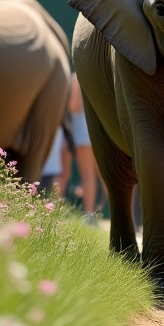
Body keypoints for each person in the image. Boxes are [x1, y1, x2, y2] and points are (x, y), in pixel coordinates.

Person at [69, 73, 105, 219]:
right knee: (105, 176)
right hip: (100, 131)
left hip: (83, 132)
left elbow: (73, 106)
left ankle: (89, 215)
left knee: (87, 175)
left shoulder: (77, 77)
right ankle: (121, 214)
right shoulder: (100, 74)